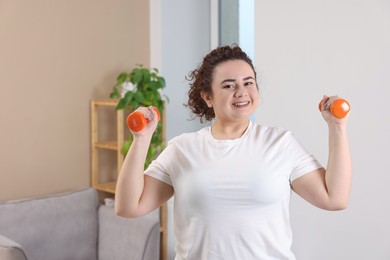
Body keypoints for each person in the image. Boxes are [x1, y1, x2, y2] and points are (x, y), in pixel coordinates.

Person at [115, 45, 352, 260]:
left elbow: (335, 198)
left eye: (248, 82)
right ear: (208, 97)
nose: (241, 91)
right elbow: (128, 206)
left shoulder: (280, 143)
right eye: (229, 85)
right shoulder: (182, 149)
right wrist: (142, 139)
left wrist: (337, 127)